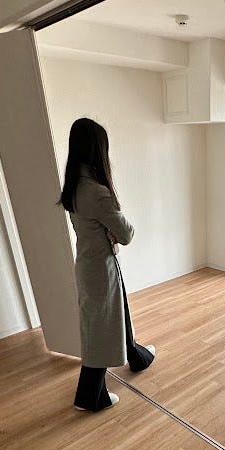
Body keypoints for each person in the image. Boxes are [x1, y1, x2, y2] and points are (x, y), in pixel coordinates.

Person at [59, 118, 155, 411]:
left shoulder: (74, 186)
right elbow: (126, 234)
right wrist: (114, 224)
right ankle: (90, 396)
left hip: (88, 264)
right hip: (101, 268)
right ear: (96, 150)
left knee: (114, 314)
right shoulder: (96, 191)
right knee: (101, 326)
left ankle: (136, 356)